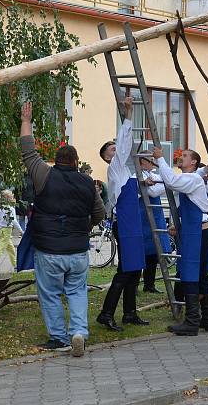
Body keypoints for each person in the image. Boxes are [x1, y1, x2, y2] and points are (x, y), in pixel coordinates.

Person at [20, 102, 105, 356]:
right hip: (78, 250)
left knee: (50, 294)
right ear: (77, 162)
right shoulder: (88, 182)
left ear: (55, 161)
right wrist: (85, 227)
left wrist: (26, 120)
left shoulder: (43, 174)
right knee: (77, 291)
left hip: (49, 251)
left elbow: (28, 151)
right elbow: (99, 214)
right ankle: (78, 332)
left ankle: (59, 338)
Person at [97, 96, 149, 332]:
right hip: (125, 225)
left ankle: (129, 313)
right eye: (112, 148)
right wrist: (128, 113)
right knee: (125, 271)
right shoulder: (115, 167)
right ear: (108, 156)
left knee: (135, 268)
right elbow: (125, 142)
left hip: (133, 224)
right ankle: (106, 314)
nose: (116, 149)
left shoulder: (124, 172)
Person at [154, 147, 208, 335]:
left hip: (197, 231)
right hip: (196, 229)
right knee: (200, 273)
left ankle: (192, 321)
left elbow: (172, 181)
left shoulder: (193, 178)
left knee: (190, 271)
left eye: (186, 156)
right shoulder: (195, 176)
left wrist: (160, 159)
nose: (181, 157)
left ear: (194, 162)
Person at [139, 156, 170, 293]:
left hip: (155, 214)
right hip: (143, 217)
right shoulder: (137, 175)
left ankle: (149, 284)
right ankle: (133, 285)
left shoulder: (153, 175)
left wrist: (162, 184)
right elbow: (152, 191)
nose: (153, 162)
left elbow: (166, 182)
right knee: (141, 251)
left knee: (154, 252)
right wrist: (162, 185)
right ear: (142, 162)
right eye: (150, 160)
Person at [0, 189, 23, 268]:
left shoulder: (0, 208)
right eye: (12, 197)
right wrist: (21, 231)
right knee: (1, 249)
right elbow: (14, 221)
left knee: (11, 249)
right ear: (8, 198)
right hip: (7, 230)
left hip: (1, 230)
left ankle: (15, 265)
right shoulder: (11, 209)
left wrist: (0, 227)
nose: (13, 198)